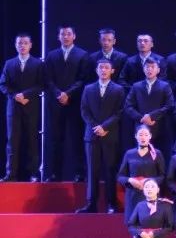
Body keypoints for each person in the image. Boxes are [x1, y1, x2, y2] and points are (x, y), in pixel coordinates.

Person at [117, 125, 166, 238]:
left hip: (150, 196)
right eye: (140, 134)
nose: (143, 137)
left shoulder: (156, 154)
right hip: (133, 197)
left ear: (150, 136)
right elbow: (120, 176)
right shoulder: (129, 154)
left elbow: (162, 176)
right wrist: (130, 180)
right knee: (137, 233)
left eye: (145, 134)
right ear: (136, 136)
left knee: (152, 231)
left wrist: (148, 182)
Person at [77, 59, 125, 213]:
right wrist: (95, 127)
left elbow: (119, 112)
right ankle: (91, 204)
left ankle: (111, 203)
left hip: (110, 134)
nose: (103, 70)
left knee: (110, 169)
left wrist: (105, 127)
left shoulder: (118, 89)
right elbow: (84, 110)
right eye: (101, 67)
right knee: (92, 170)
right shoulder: (88, 88)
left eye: (106, 68)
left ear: (112, 71)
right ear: (96, 70)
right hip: (91, 135)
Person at [45, 25, 89, 181]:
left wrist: (68, 94)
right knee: (56, 139)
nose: (65, 37)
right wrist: (59, 94)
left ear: (74, 36)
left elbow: (83, 79)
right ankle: (55, 174)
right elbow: (48, 79)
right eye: (62, 34)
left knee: (77, 138)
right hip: (56, 103)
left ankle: (79, 173)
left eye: (68, 34)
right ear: (58, 37)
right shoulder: (51, 55)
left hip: (75, 103)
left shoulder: (82, 55)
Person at [0, 33, 45, 182]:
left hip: (31, 106)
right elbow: (3, 84)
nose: (22, 46)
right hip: (13, 107)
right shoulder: (9, 63)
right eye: (20, 43)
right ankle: (11, 174)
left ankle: (34, 174)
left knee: (32, 139)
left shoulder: (38, 64)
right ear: (15, 45)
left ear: (30, 45)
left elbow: (41, 84)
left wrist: (25, 95)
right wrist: (15, 96)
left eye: (25, 43)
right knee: (12, 141)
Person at [124, 56, 175, 162]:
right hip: (141, 127)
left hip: (160, 126)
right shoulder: (136, 86)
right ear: (143, 69)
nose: (149, 69)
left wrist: (151, 116)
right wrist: (141, 118)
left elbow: (170, 105)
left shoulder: (165, 86)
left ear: (158, 70)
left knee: (159, 157)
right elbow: (128, 106)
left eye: (152, 67)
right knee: (141, 158)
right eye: (147, 67)